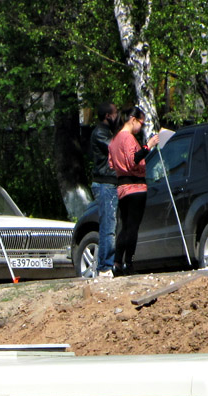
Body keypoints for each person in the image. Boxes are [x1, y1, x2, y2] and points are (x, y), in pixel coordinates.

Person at [108, 107, 158, 276]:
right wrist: (148, 146)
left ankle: (117, 262)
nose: (141, 128)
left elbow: (111, 164)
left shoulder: (114, 140)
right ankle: (128, 263)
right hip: (136, 187)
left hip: (122, 187)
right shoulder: (128, 138)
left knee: (124, 227)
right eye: (141, 124)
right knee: (133, 228)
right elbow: (134, 160)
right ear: (133, 119)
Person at [88, 102, 120, 278]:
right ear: (108, 116)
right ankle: (104, 267)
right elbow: (115, 149)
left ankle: (111, 263)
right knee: (107, 226)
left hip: (111, 183)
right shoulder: (100, 132)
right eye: (115, 113)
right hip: (104, 183)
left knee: (112, 226)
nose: (118, 117)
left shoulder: (108, 132)